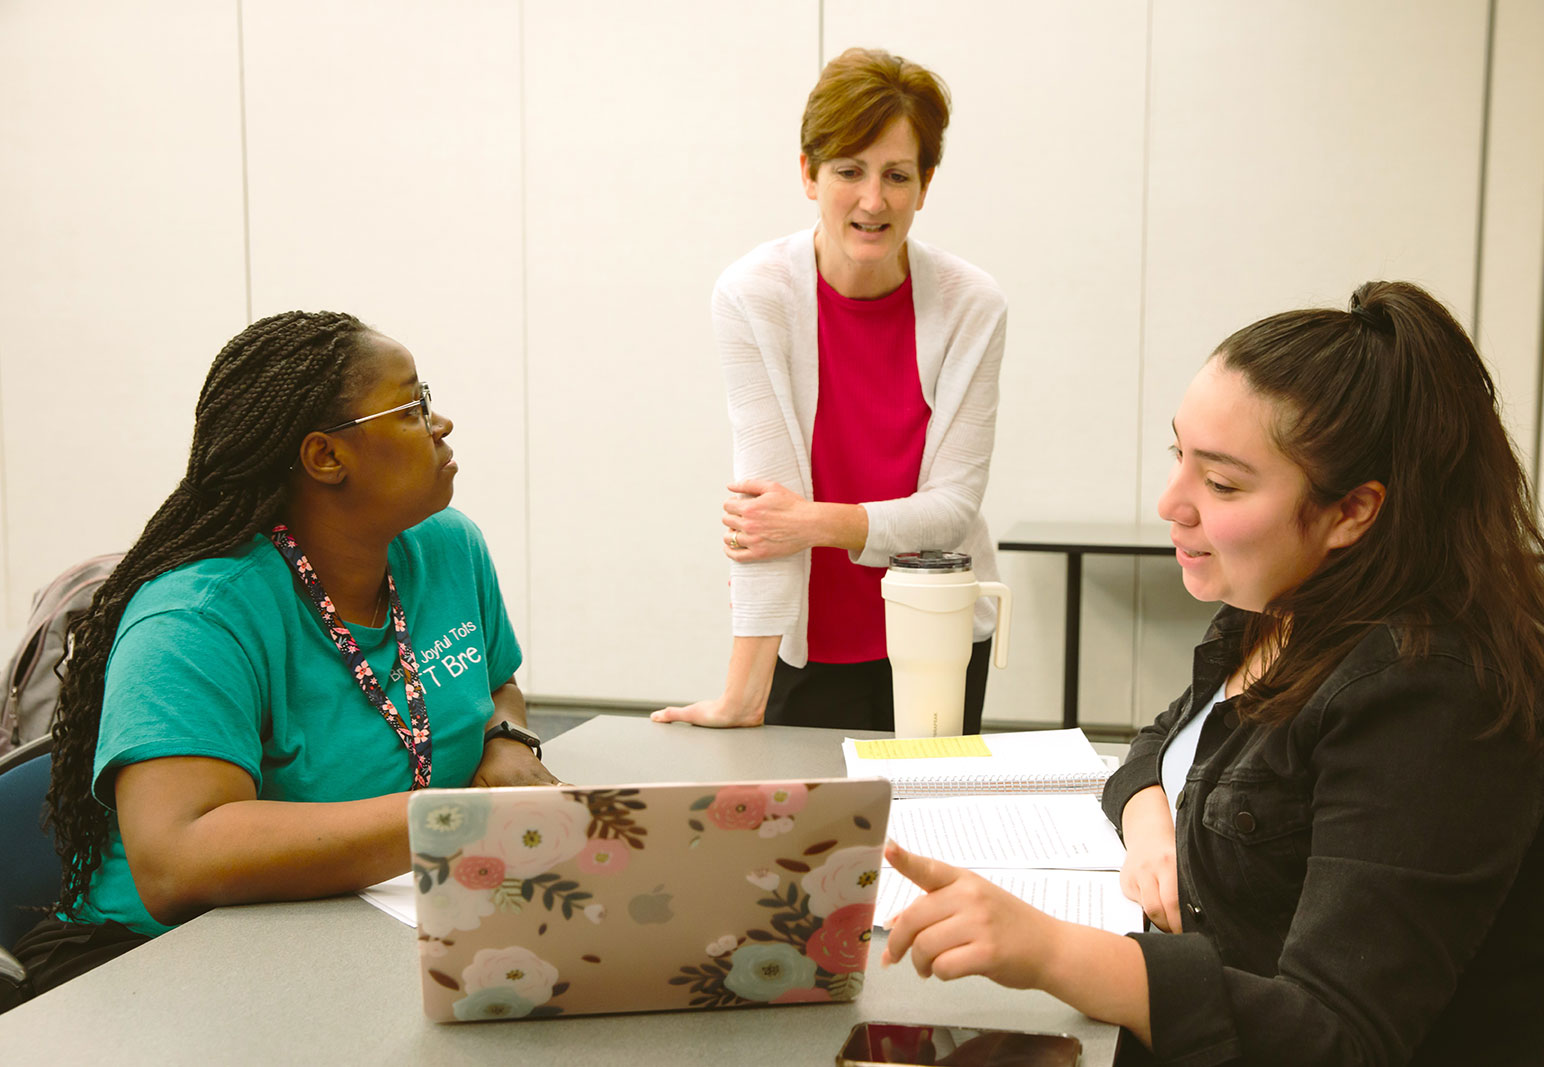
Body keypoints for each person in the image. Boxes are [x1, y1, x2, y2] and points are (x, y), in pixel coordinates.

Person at [879, 282, 1544, 1063]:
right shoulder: (1284, 605)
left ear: (1352, 511)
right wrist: (1150, 820)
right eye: (1178, 456)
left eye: (1221, 483)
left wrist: (1053, 951)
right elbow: (1164, 738)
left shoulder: (1433, 696)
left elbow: (1334, 1037)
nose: (1170, 501)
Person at [15, 311, 557, 998]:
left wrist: (506, 737)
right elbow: (178, 858)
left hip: (366, 925)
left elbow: (495, 681)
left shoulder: (447, 544)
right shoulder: (197, 616)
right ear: (325, 456)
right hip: (158, 963)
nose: (440, 422)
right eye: (413, 405)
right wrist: (457, 816)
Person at [653, 48, 1007, 732]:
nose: (873, 200)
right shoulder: (755, 295)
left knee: (927, 830)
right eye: (850, 170)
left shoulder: (973, 304)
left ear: (926, 184)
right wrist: (742, 695)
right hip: (807, 637)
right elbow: (765, 516)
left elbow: (951, 511)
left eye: (897, 175)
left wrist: (813, 521)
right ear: (810, 174)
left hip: (937, 633)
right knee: (806, 840)